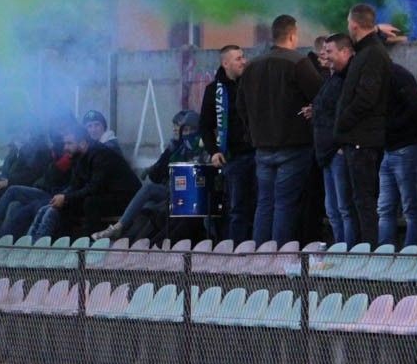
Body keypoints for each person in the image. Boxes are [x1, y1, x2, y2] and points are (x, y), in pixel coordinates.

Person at [236, 14, 323, 246]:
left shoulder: (252, 67)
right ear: (292, 35)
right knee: (285, 204)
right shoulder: (298, 62)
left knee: (264, 203)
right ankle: (278, 256)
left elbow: (240, 106)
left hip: (262, 147)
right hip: (294, 146)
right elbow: (321, 97)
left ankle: (260, 255)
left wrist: (252, 131)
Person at [91, 110, 203, 241]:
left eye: (181, 128)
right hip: (168, 191)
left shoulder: (200, 147)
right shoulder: (177, 148)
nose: (178, 131)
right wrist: (168, 153)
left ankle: (121, 230)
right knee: (147, 208)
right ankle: (128, 243)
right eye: (179, 129)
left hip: (186, 197)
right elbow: (156, 175)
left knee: (150, 191)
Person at [334, 3, 391, 246]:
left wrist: (343, 121)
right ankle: (362, 249)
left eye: (349, 23)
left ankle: (368, 252)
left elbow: (366, 97)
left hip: (363, 140)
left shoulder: (372, 55)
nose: (348, 27)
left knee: (365, 201)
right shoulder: (368, 52)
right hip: (357, 139)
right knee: (359, 201)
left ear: (354, 25)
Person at [27, 125, 140, 240]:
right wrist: (60, 198)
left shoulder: (101, 155)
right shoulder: (78, 157)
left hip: (127, 199)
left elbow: (94, 188)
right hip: (104, 195)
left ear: (82, 143)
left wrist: (66, 198)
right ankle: (32, 243)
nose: (65, 147)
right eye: (65, 143)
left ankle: (89, 244)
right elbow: (75, 185)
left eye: (69, 143)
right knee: (48, 209)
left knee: (89, 202)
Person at [199, 45, 256, 242]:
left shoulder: (250, 84)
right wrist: (213, 151)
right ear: (225, 63)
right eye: (238, 59)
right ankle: (237, 251)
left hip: (258, 152)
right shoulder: (214, 91)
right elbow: (205, 126)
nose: (244, 61)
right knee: (238, 208)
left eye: (243, 57)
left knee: (261, 205)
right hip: (234, 157)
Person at [376, 62, 417, 248]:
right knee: (386, 207)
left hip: (405, 147)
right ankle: (386, 254)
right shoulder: (390, 76)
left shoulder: (397, 76)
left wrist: (390, 128)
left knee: (409, 207)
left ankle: (410, 253)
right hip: (390, 149)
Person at [313, 34, 355, 245]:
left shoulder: (345, 79)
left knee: (343, 208)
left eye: (329, 51)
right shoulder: (330, 80)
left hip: (336, 152)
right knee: (333, 209)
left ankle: (349, 254)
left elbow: (348, 112)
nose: (325, 56)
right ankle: (340, 249)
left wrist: (341, 144)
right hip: (326, 153)